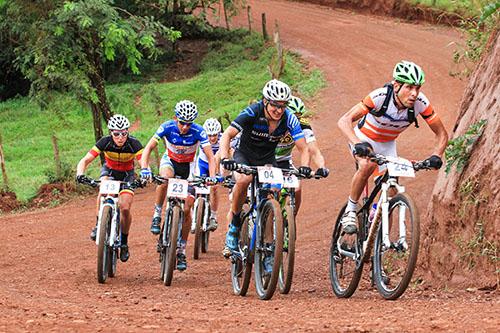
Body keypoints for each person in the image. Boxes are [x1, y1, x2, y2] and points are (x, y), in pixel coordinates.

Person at [337, 60, 448, 234]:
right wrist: (357, 143)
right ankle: (350, 211)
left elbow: (442, 134)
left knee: (391, 190)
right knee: (367, 165)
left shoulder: (421, 103)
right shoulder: (379, 97)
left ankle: (376, 232)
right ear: (396, 85)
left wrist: (437, 155)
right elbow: (344, 121)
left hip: (387, 145)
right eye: (409, 87)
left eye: (417, 88)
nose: (414, 93)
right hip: (363, 138)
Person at [219, 79, 311, 270]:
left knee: (272, 197)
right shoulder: (253, 111)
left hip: (267, 159)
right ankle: (235, 226)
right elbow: (227, 135)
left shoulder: (289, 118)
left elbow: (304, 148)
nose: (279, 110)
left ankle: (269, 249)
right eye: (275, 105)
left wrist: (305, 167)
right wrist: (224, 158)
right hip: (244, 155)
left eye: (283, 106)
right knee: (244, 179)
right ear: (265, 101)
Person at [140, 100, 216, 271]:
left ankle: (181, 248)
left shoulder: (199, 131)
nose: (184, 127)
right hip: (171, 162)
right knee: (164, 178)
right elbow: (149, 148)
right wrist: (144, 168)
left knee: (188, 208)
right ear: (176, 119)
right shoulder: (167, 126)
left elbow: (210, 156)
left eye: (188, 124)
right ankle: (158, 213)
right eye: (182, 123)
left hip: (188, 168)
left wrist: (211, 177)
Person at [76, 114, 143, 262]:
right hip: (110, 172)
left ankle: (124, 243)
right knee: (103, 191)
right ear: (111, 133)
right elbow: (85, 159)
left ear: (128, 133)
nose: (120, 137)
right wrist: (80, 173)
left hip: (127, 175)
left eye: (124, 133)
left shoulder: (134, 144)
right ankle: (98, 224)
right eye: (116, 134)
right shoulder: (104, 142)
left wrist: (145, 173)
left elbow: (143, 162)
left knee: (125, 207)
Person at [275, 95, 329, 215]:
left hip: (284, 161)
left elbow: (313, 149)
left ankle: (290, 221)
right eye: (294, 116)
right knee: (273, 189)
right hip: (266, 160)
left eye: (299, 116)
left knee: (297, 188)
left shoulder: (302, 124)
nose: (296, 119)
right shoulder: (273, 121)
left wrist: (322, 167)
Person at [193, 118, 223, 231]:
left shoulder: (223, 139)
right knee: (196, 186)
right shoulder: (200, 137)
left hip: (216, 165)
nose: (212, 138)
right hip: (202, 163)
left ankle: (213, 217)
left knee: (214, 188)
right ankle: (194, 214)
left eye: (214, 135)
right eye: (209, 135)